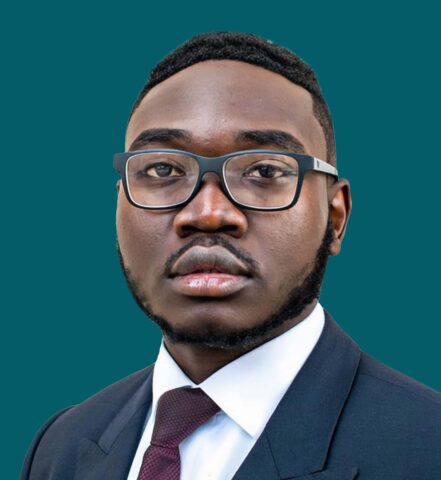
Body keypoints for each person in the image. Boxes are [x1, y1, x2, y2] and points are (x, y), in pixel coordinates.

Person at [21, 32, 441, 480]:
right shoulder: (61, 446)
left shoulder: (427, 447)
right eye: (162, 169)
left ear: (335, 217)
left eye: (264, 171)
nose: (208, 214)